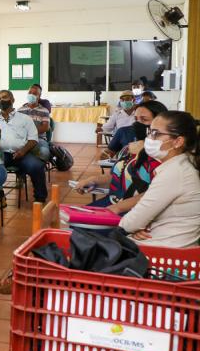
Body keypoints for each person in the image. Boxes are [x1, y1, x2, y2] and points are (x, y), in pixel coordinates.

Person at [119, 111, 200, 247]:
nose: (149, 138)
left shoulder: (175, 173)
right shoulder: (180, 165)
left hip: (166, 253)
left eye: (156, 134)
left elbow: (130, 223)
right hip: (163, 242)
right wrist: (142, 226)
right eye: (149, 132)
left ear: (178, 141)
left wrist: (132, 227)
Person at [76, 101, 168, 210]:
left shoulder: (163, 155)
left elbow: (156, 194)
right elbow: (118, 177)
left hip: (135, 211)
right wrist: (93, 180)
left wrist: (118, 208)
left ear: (160, 124)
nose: (137, 124)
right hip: (112, 202)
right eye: (136, 119)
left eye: (144, 120)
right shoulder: (127, 149)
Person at [0, 90, 48, 202]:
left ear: (12, 100)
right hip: (1, 154)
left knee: (37, 166)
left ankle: (40, 199)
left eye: (4, 97)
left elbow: (33, 139)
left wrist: (23, 151)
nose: (1, 100)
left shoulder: (25, 118)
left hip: (22, 153)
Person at [18, 85, 51, 161]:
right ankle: (22, 170)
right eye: (30, 92)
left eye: (35, 93)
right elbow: (17, 126)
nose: (31, 95)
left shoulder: (44, 110)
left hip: (39, 139)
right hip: (23, 139)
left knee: (44, 153)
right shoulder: (20, 110)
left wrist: (29, 131)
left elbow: (45, 127)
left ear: (39, 96)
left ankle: (38, 169)